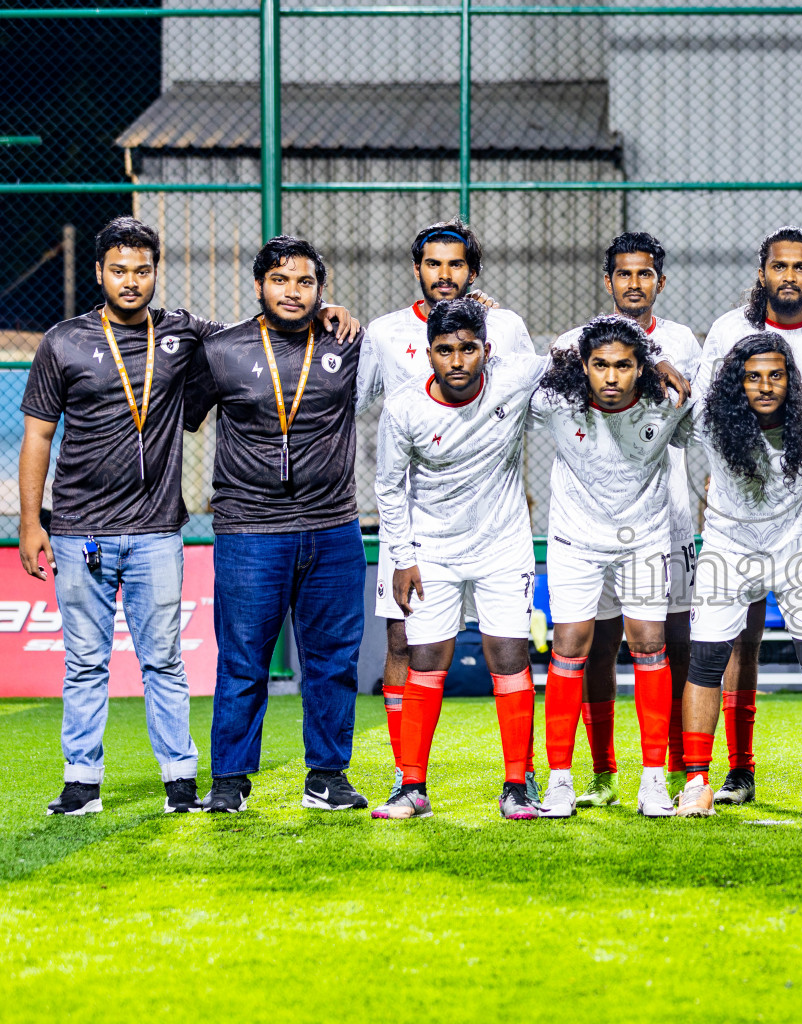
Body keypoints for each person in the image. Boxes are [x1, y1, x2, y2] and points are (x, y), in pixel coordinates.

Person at [18, 216, 356, 817]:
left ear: (156, 273)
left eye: (142, 270)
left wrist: (339, 311)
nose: (130, 281)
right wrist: (29, 521)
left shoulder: (189, 337)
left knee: (169, 662)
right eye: (118, 270)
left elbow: (270, 336)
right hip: (83, 529)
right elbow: (40, 436)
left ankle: (188, 781)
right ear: (99, 273)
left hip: (159, 530)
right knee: (90, 662)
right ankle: (89, 782)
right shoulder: (70, 342)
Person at [183, 236, 374, 814]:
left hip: (333, 526)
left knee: (334, 658)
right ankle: (230, 781)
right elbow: (180, 421)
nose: (293, 292)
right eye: (281, 280)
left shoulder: (348, 341)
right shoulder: (223, 350)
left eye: (306, 283)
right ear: (261, 283)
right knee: (242, 657)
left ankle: (328, 776)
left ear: (322, 288)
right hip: (249, 529)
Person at [356, 220, 536, 806]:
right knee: (409, 650)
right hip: (421, 537)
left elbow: (567, 360)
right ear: (417, 269)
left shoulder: (507, 331)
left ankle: (519, 780)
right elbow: (382, 470)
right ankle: (409, 780)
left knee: (508, 651)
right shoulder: (385, 340)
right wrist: (401, 555)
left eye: (455, 264)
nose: (444, 275)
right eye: (433, 264)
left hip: (500, 538)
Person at [693, 227, 802, 806]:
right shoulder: (728, 330)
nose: (789, 277)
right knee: (734, 643)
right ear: (762, 272)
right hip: (737, 500)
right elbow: (704, 407)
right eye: (779, 267)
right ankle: (735, 769)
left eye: (800, 267)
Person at [550, 233, 702, 808]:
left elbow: (694, 412)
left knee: (665, 639)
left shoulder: (683, 340)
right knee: (590, 643)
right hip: (584, 522)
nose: (633, 284)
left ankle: (672, 771)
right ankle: (596, 770)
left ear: (659, 281)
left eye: (644, 275)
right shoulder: (573, 344)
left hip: (661, 510)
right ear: (608, 280)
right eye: (623, 274)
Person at [675, 333, 802, 818]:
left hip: (799, 547)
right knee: (707, 661)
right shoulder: (710, 419)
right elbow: (659, 410)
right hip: (729, 549)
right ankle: (696, 781)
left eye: (776, 375)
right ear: (738, 382)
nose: (765, 386)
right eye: (753, 377)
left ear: (791, 380)